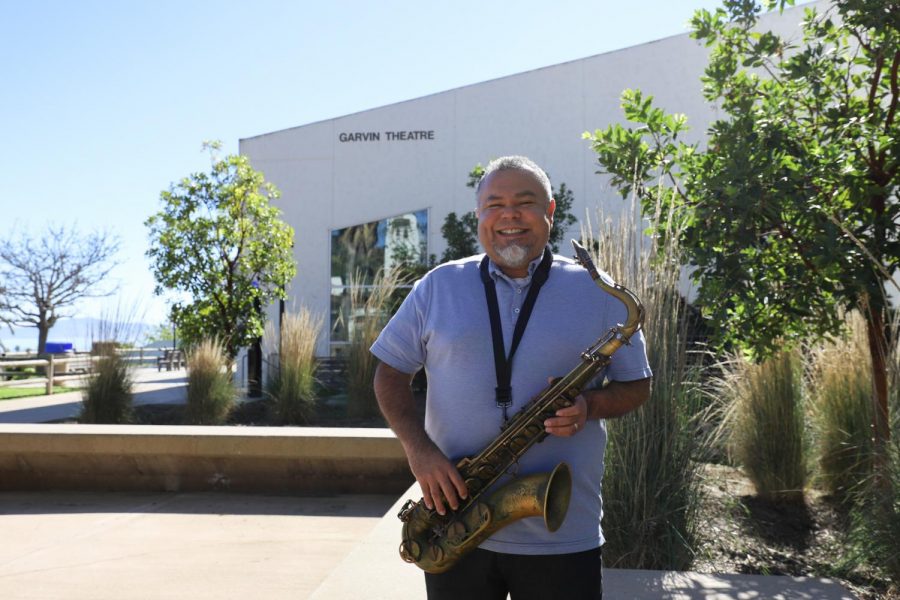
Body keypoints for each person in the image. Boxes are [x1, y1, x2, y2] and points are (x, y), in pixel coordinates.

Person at [371, 155, 652, 600]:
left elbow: (638, 385)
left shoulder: (596, 290)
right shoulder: (438, 286)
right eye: (493, 204)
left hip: (562, 531)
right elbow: (389, 374)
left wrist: (589, 406)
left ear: (551, 211)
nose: (509, 216)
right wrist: (418, 451)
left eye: (524, 202)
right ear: (479, 214)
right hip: (453, 525)